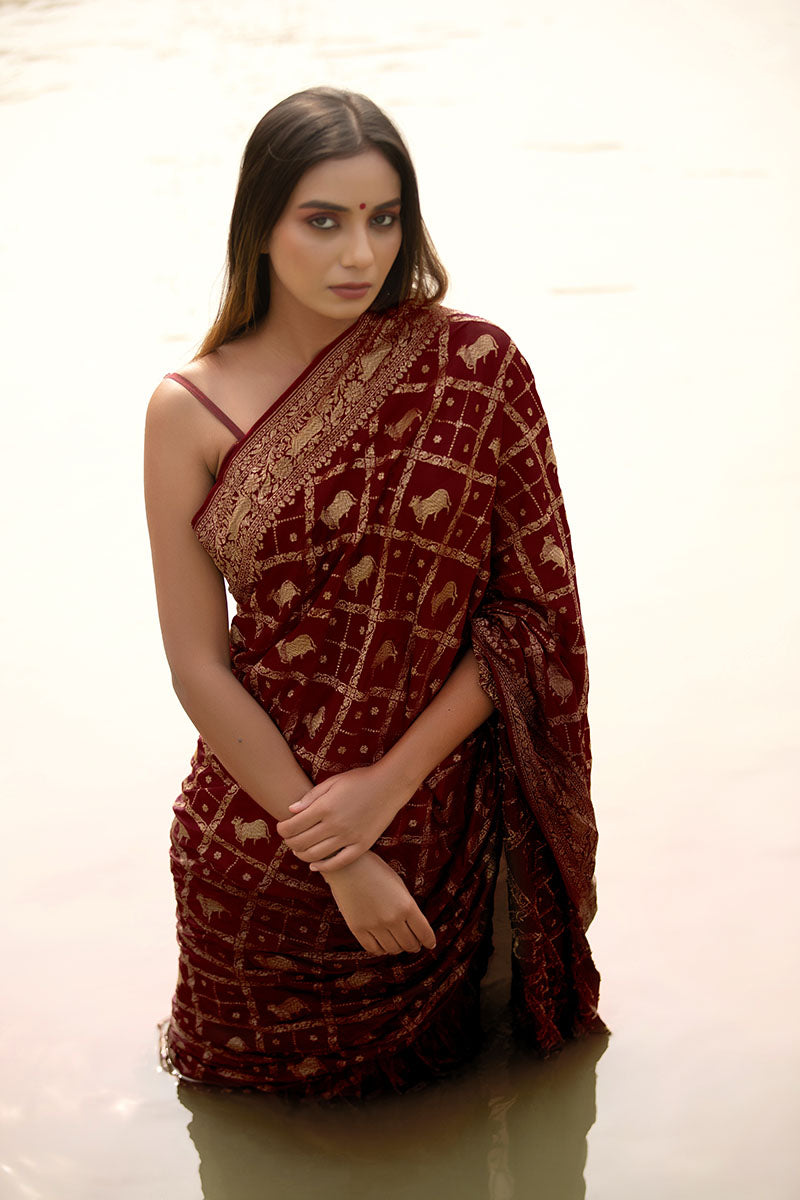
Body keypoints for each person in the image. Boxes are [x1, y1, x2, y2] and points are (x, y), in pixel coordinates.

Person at [144, 86, 606, 1100]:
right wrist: (337, 853)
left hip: (437, 834)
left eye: (382, 218)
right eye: (323, 221)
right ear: (258, 227)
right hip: (255, 857)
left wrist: (385, 790)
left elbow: (527, 622)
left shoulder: (471, 369)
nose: (359, 253)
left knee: (460, 1118)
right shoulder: (187, 410)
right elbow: (195, 662)